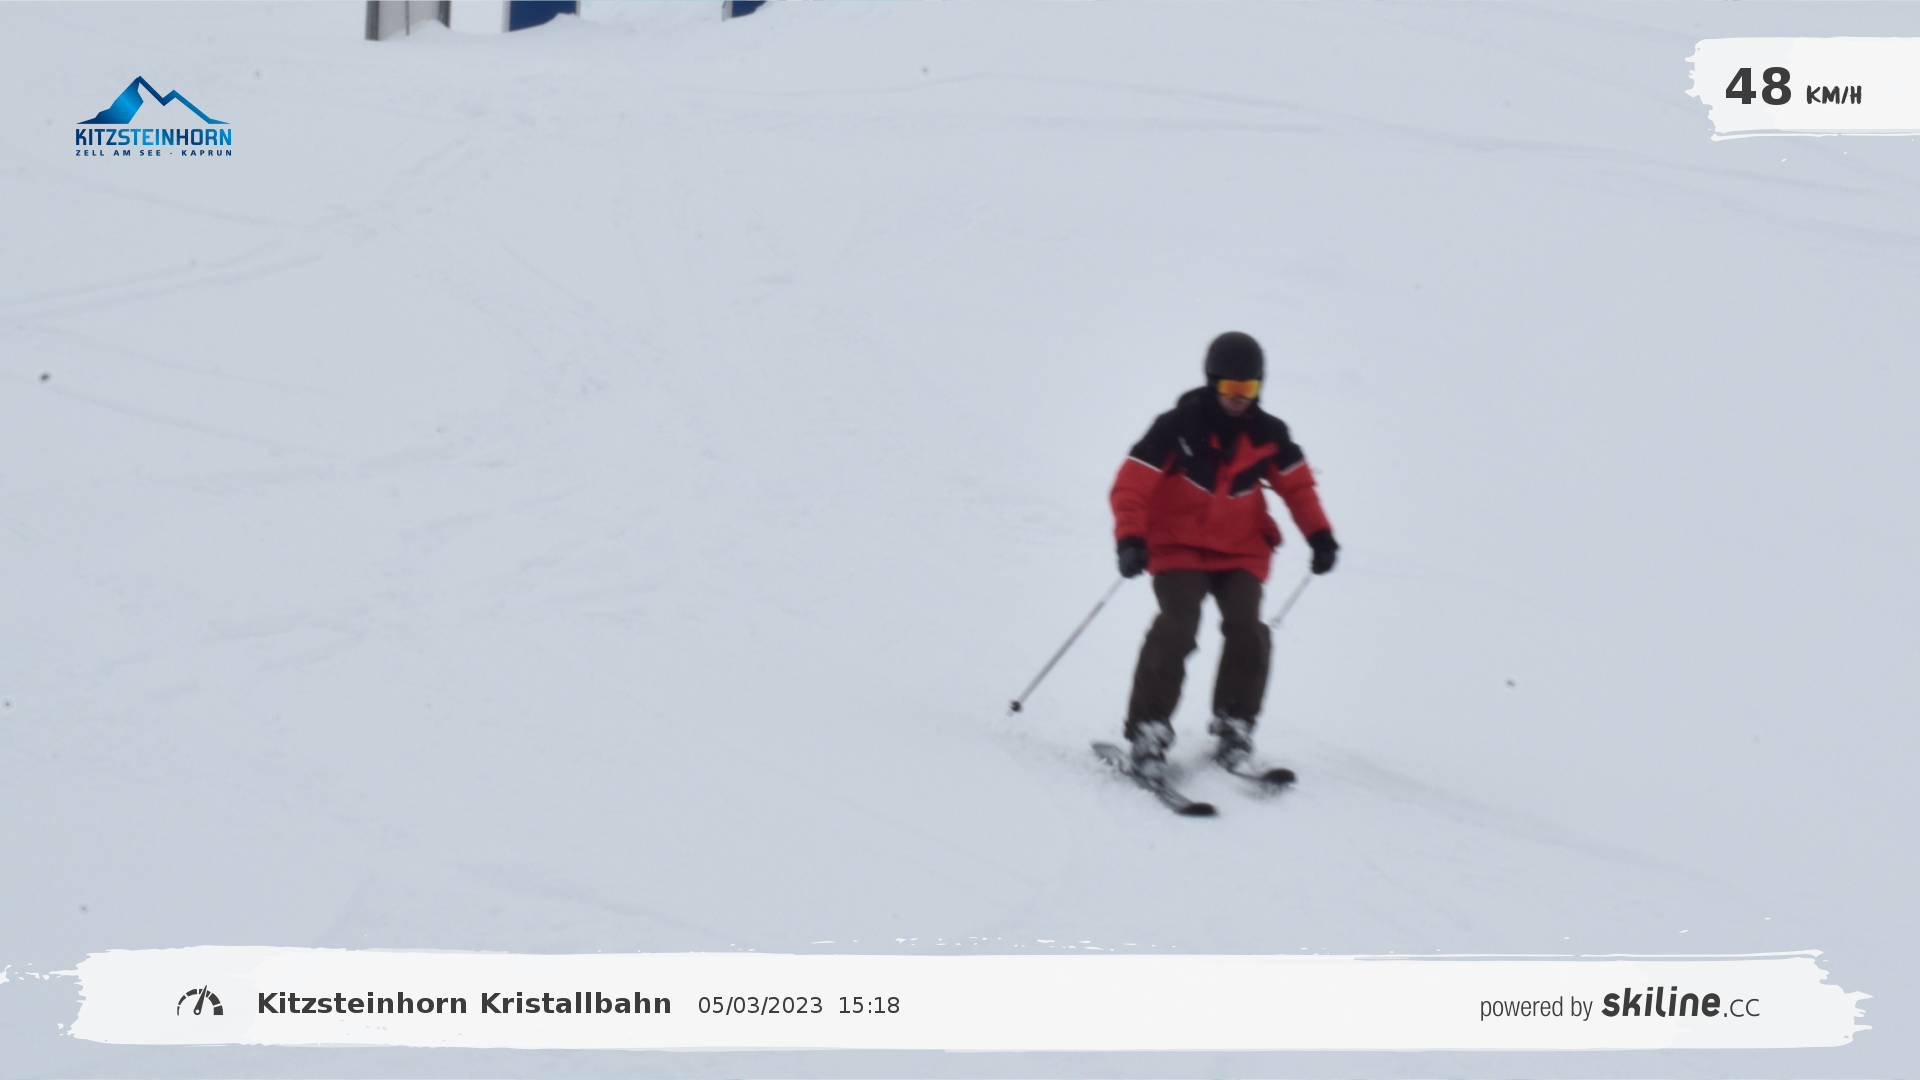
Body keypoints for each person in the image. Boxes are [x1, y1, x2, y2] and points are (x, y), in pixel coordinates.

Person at [1109, 331, 1339, 780]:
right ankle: (1148, 730)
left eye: (1248, 388)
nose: (1239, 398)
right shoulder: (1176, 427)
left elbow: (1298, 487)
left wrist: (1321, 536)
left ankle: (1235, 724)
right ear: (1213, 383)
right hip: (1178, 546)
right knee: (1179, 625)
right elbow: (1131, 484)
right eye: (1231, 387)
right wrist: (1130, 539)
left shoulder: (1269, 434)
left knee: (1248, 628)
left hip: (1241, 550)